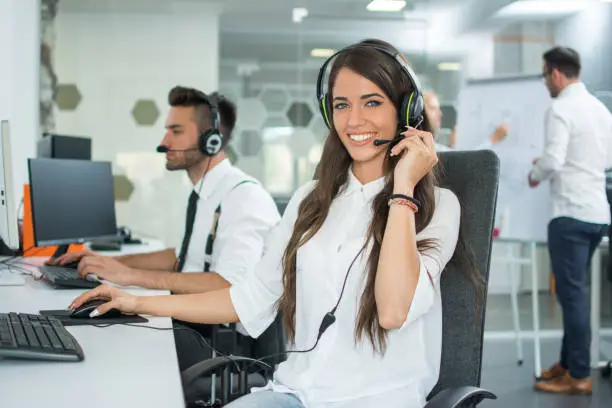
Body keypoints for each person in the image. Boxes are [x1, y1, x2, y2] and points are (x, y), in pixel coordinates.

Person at [69, 39, 481, 408]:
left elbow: (392, 310)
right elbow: (246, 298)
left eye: (372, 102)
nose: (354, 121)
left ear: (405, 111)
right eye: (341, 104)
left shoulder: (436, 207)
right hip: (296, 393)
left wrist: (403, 187)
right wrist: (135, 301)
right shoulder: (310, 200)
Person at [55, 86, 280, 369]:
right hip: (202, 326)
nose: (164, 141)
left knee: (114, 348)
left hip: (231, 347)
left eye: (175, 131)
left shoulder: (243, 197)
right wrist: (110, 263)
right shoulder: (206, 193)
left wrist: (131, 276)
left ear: (211, 139)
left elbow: (229, 284)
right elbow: (183, 259)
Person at [529, 46, 612, 395]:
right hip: (597, 214)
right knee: (572, 293)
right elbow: (606, 158)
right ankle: (566, 364)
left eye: (544, 75)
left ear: (556, 74)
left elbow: (554, 161)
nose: (545, 81)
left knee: (572, 296)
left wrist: (536, 170)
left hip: (570, 213)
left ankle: (578, 376)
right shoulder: (599, 109)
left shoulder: (560, 107)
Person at [423, 90, 508, 151]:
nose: (440, 113)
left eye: (439, 109)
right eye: (433, 108)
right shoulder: (424, 146)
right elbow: (468, 162)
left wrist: (452, 146)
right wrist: (493, 139)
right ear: (418, 111)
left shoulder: (430, 144)